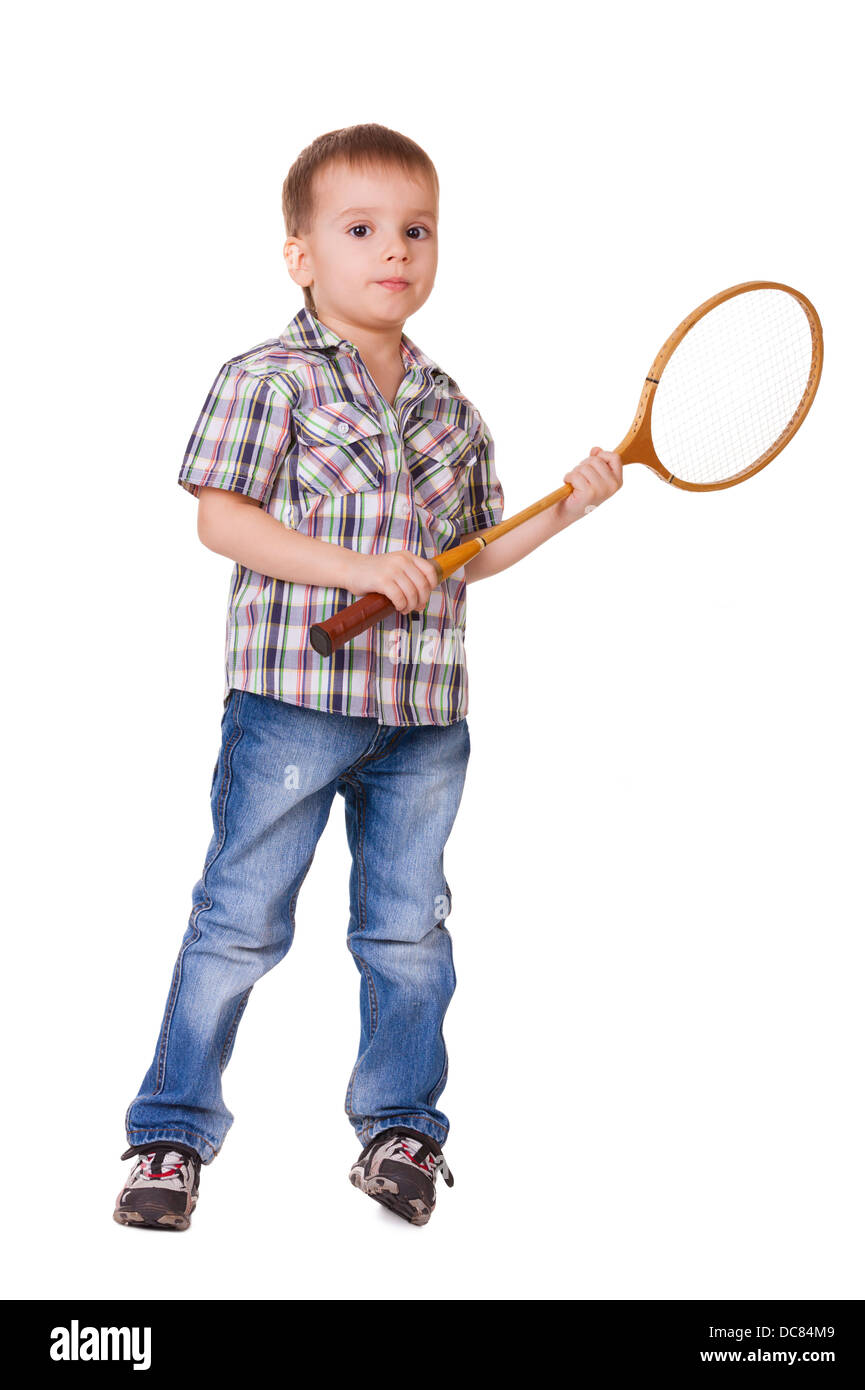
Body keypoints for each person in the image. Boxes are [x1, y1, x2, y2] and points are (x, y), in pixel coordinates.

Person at [114, 122, 623, 1231]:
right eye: (360, 229)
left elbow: (469, 557)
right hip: (295, 700)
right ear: (300, 252)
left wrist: (568, 510)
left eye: (416, 229)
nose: (394, 250)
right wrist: (352, 567)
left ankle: (400, 1131)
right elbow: (221, 519)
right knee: (238, 920)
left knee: (408, 933)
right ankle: (167, 1136)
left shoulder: (453, 406)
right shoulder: (269, 379)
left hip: (427, 719)